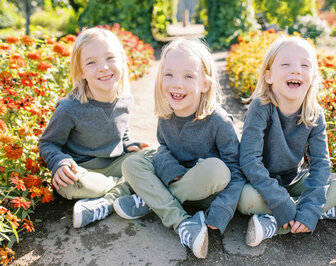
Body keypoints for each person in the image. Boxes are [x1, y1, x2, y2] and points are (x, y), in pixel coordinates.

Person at [113, 38, 246, 259]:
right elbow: (164, 147)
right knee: (133, 163)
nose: (177, 83)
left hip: (205, 190)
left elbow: (236, 169)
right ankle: (180, 219)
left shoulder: (219, 121)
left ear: (205, 84)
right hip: (176, 177)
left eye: (188, 76)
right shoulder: (167, 113)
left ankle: (153, 201)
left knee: (218, 170)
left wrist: (222, 210)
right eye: (169, 74)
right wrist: (169, 171)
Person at [238, 36, 336, 247]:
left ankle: (274, 223)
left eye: (305, 65)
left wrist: (308, 206)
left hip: (293, 180)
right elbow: (249, 160)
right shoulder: (261, 107)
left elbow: (321, 164)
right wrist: (279, 200)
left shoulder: (313, 113)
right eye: (286, 64)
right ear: (269, 76)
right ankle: (320, 212)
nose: (296, 70)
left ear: (312, 77)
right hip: (261, 183)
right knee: (245, 200)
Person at [38, 27, 153, 229]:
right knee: (67, 184)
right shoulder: (70, 107)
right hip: (84, 171)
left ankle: (105, 202)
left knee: (157, 154)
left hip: (115, 162)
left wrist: (128, 145)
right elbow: (48, 143)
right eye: (91, 62)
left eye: (110, 58)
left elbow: (122, 130)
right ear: (81, 71)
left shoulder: (126, 99)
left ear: (121, 61)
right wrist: (60, 162)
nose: (103, 67)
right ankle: (133, 188)